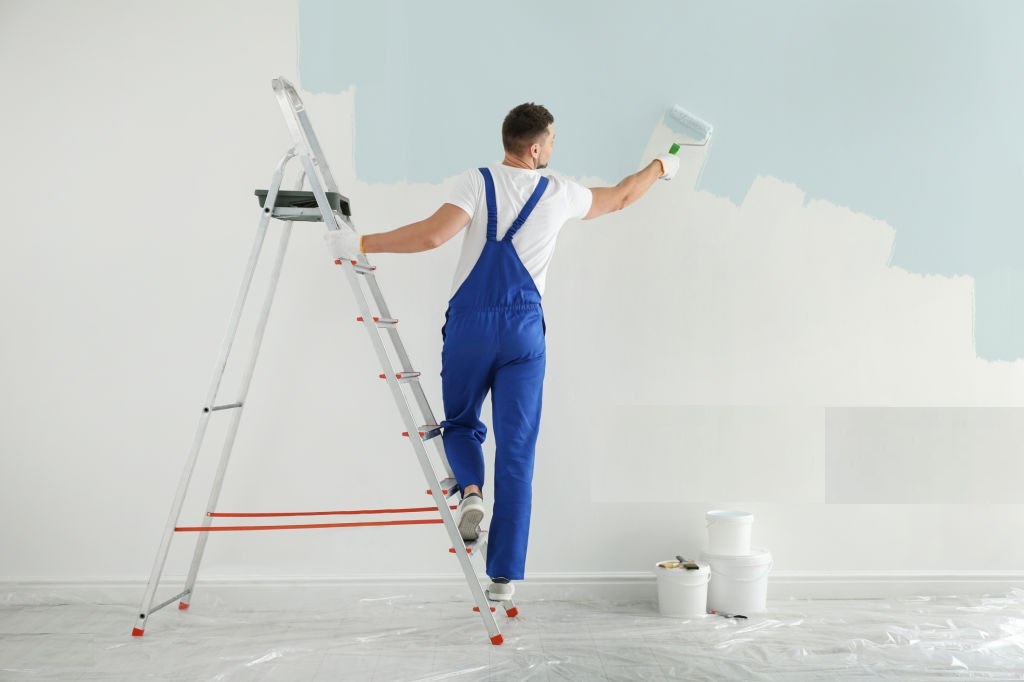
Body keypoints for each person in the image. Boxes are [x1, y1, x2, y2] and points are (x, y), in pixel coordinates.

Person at [325, 103, 679, 602]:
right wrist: (662, 166)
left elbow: (431, 235)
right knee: (517, 450)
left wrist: (359, 241)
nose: (554, 147)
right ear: (535, 148)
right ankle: (503, 577)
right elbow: (621, 197)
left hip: (469, 325)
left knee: (461, 422)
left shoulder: (477, 182)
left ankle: (471, 492)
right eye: (552, 140)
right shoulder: (558, 193)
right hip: (523, 333)